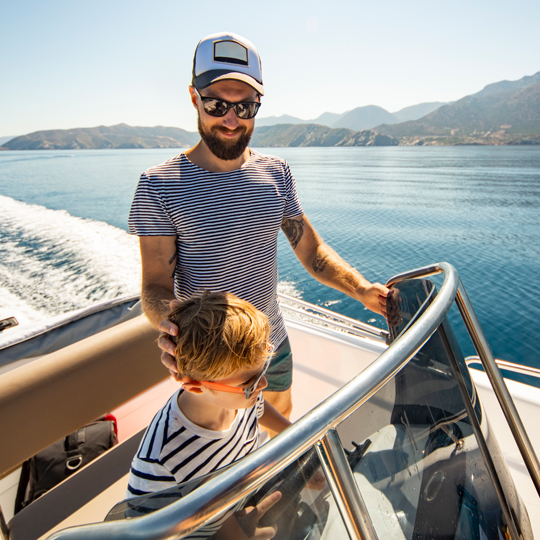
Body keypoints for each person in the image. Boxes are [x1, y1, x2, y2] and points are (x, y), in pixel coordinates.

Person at [128, 31, 391, 425]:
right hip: (211, 352)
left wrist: (363, 290)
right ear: (194, 98)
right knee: (220, 437)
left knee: (281, 411)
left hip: (271, 338)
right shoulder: (159, 185)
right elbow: (155, 286)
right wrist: (173, 326)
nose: (231, 120)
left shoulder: (276, 173)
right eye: (217, 104)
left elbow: (312, 252)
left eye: (246, 106)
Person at [126, 291, 290, 539]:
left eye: (262, 369)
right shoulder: (166, 456)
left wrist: (293, 433)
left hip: (237, 502)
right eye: (250, 381)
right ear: (194, 386)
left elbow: (258, 410)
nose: (264, 384)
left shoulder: (241, 400)